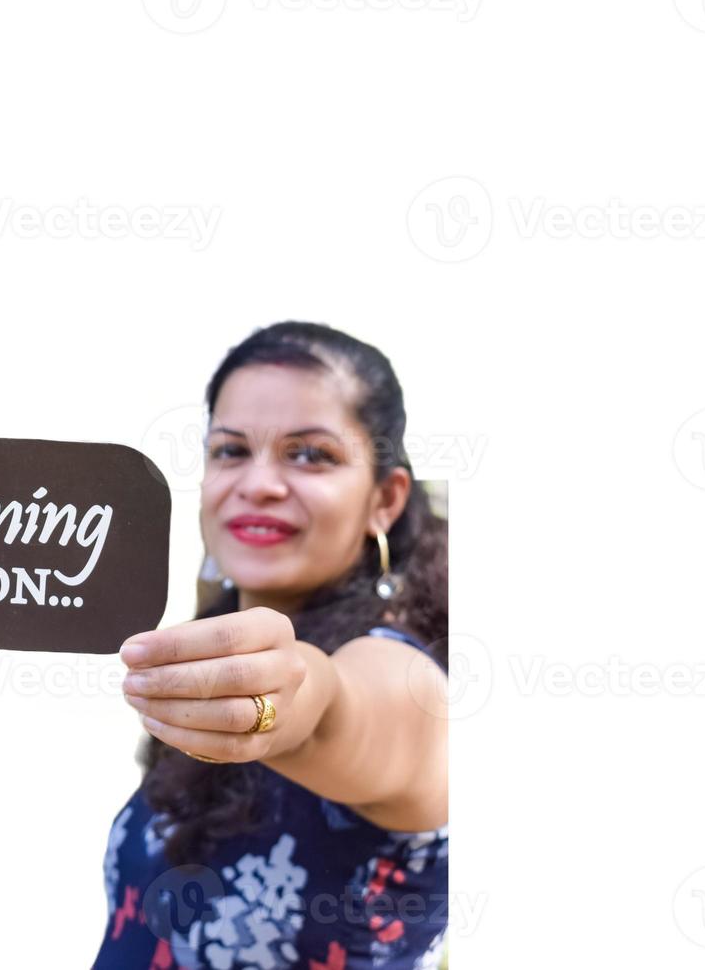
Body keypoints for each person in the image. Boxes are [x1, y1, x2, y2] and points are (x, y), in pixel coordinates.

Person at [95, 322, 450, 969]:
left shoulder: (402, 673)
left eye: (310, 455)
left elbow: (335, 704)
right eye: (230, 451)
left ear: (385, 499)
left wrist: (290, 703)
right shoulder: (197, 648)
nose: (258, 483)